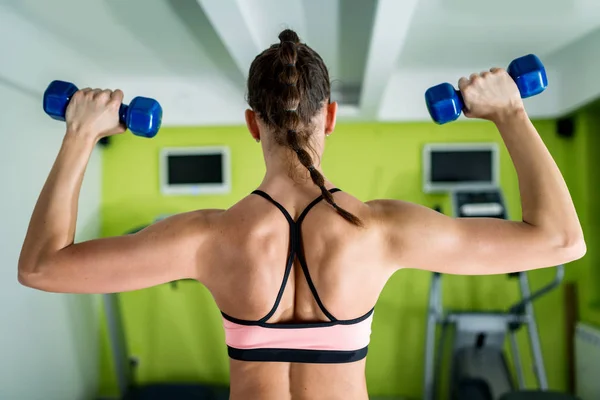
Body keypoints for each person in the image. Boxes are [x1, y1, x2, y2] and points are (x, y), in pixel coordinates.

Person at [18, 29, 585, 400]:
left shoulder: (205, 237)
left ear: (251, 123)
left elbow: (42, 266)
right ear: (331, 117)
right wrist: (510, 113)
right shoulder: (381, 232)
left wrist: (82, 133)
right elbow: (561, 241)